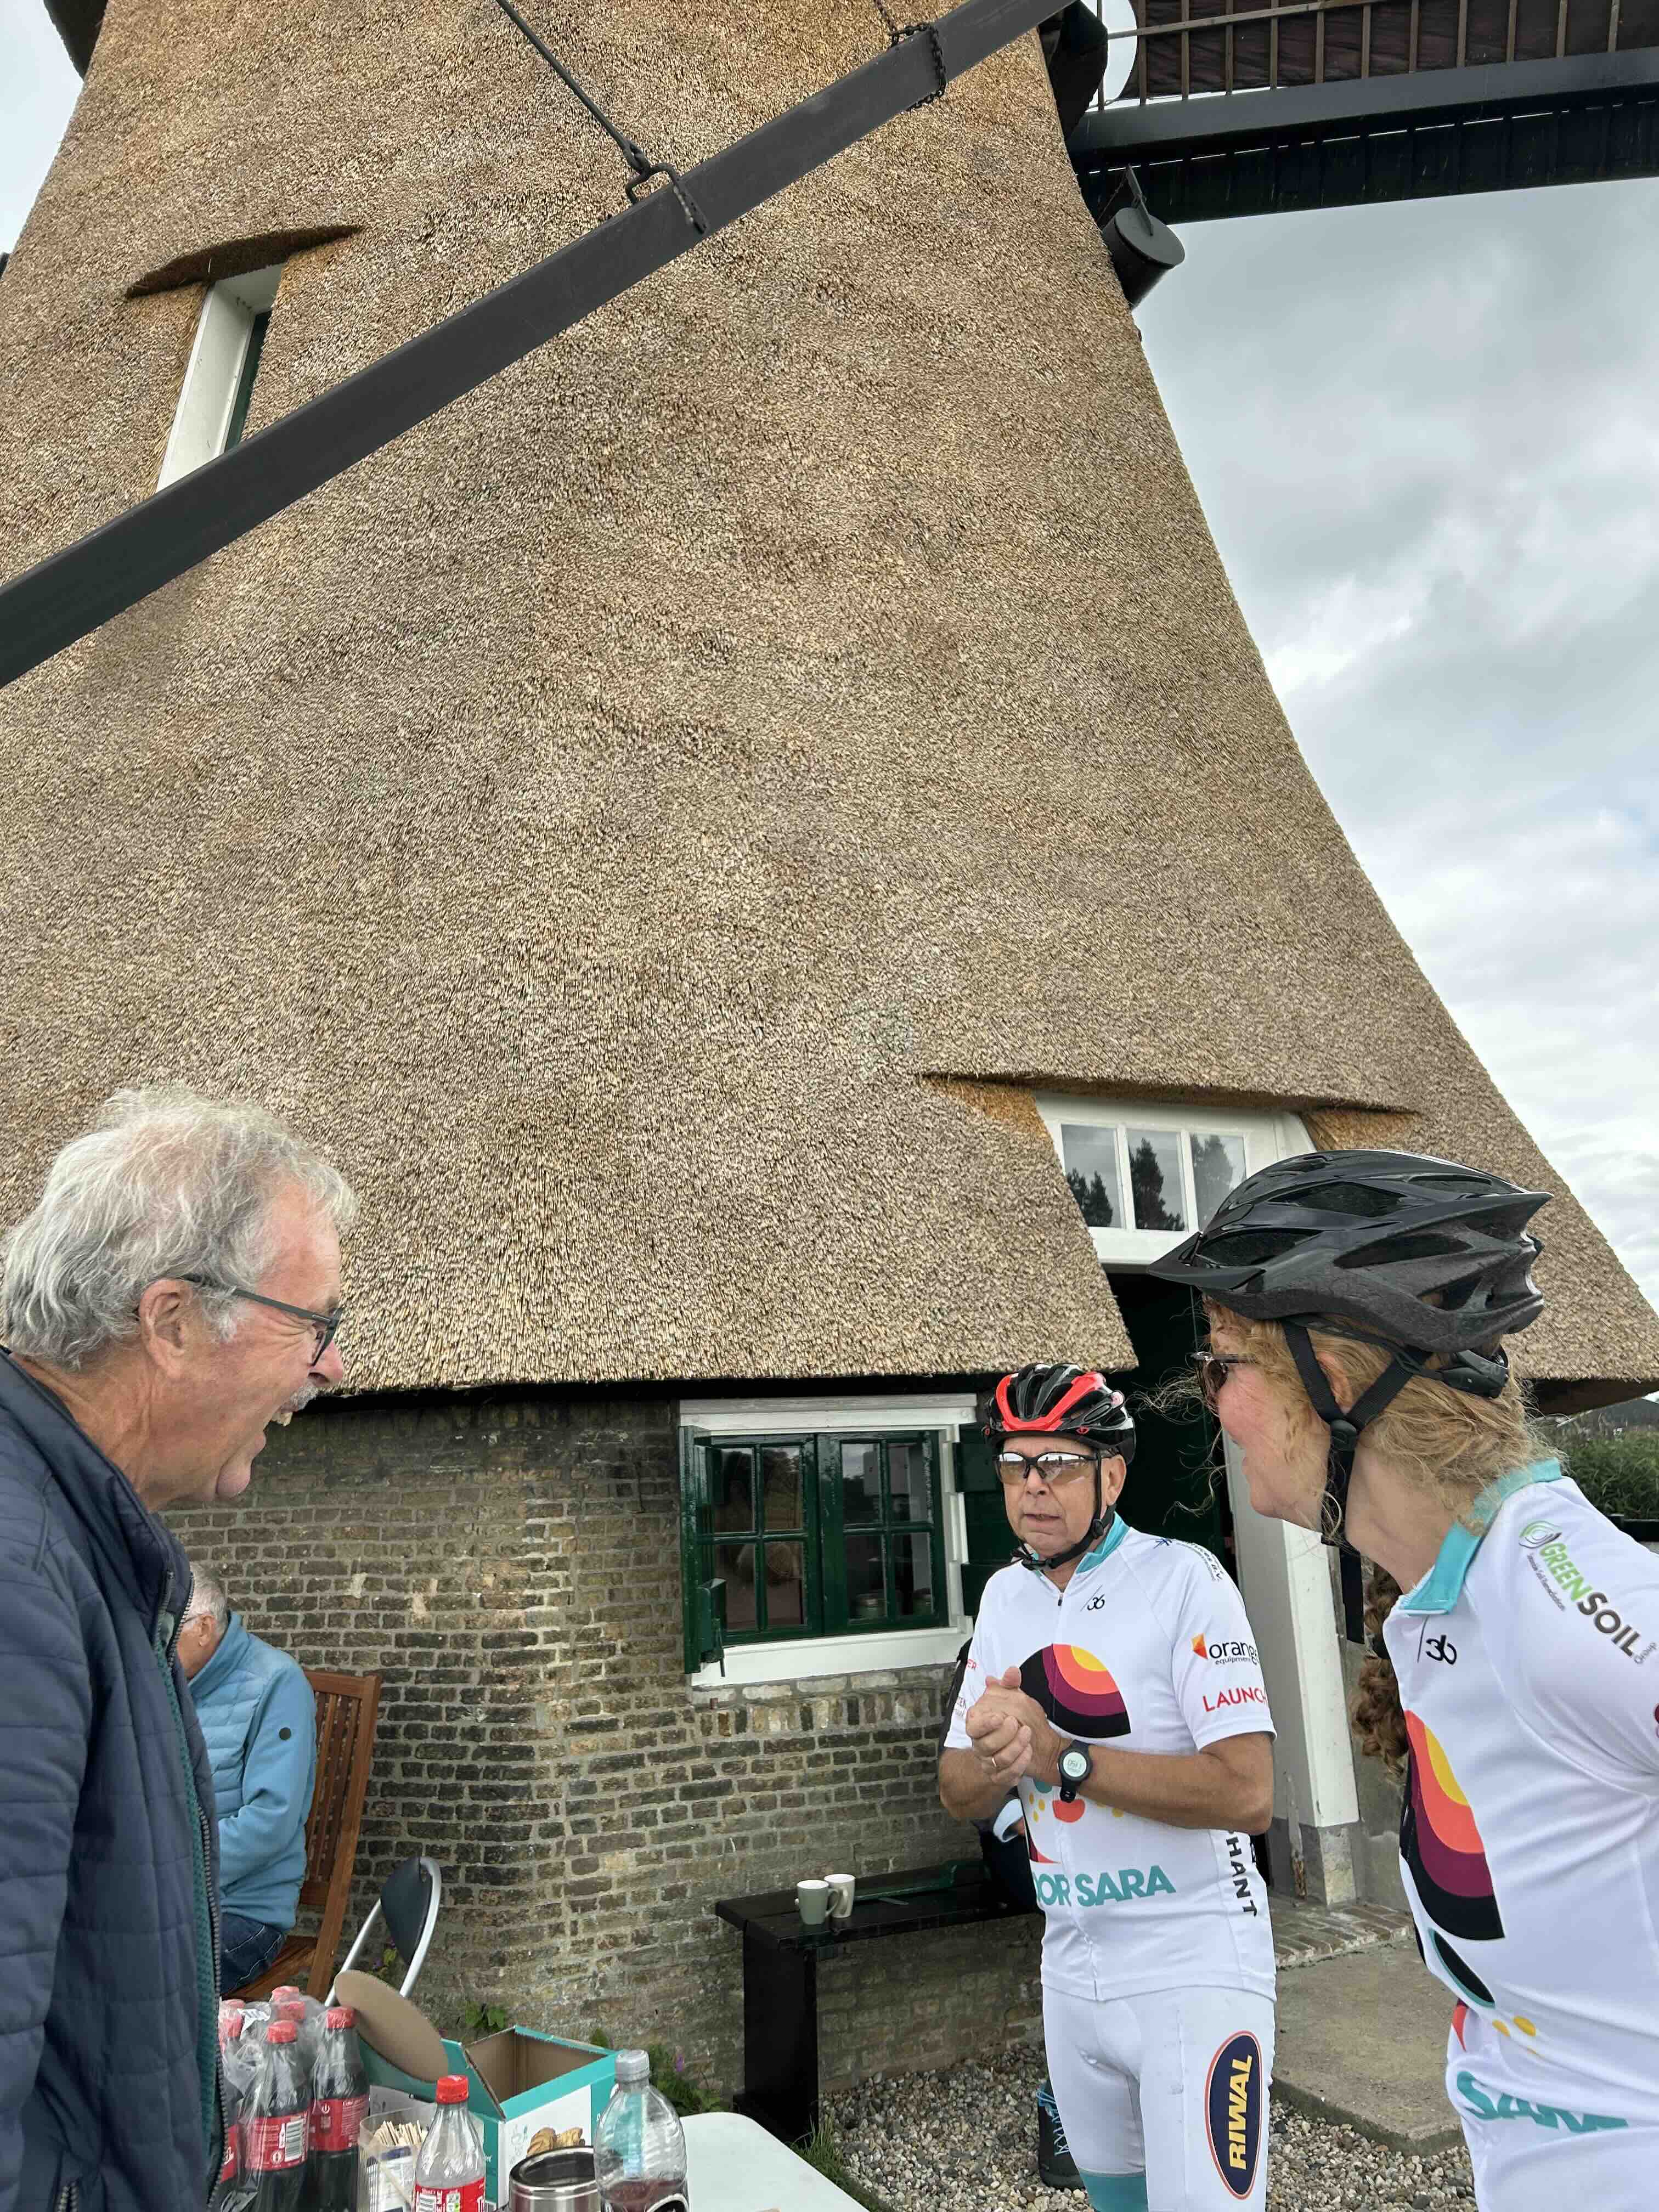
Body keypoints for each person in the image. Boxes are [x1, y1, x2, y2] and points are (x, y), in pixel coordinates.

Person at [1148, 1147, 1659, 2210]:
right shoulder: (1447, 1600)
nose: (1211, 1403)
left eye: (1221, 1366)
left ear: (1331, 1384)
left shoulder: (1559, 1601)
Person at [0, 1087, 354, 2212]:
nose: (327, 1369)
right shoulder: (19, 1572)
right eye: (313, 1325)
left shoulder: (81, 1548)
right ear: (172, 1322)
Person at [940, 1364, 1276, 2212]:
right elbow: (956, 1789)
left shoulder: (1186, 1580)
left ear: (1113, 1476)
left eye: (1058, 1463)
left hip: (1194, 1965)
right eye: (1016, 1465)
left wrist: (1063, 1757)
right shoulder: (1003, 1597)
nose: (1034, 1486)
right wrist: (994, 1753)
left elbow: (1247, 1794)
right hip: (1072, 1967)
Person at [180, 1566, 319, 1994]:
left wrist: (171, 1867)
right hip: (164, 1899)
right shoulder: (167, 1681)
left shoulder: (277, 1682)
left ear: (204, 1628)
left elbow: (271, 1820)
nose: (151, 1644)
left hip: (241, 1912)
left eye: (164, 1631)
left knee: (133, 1979)